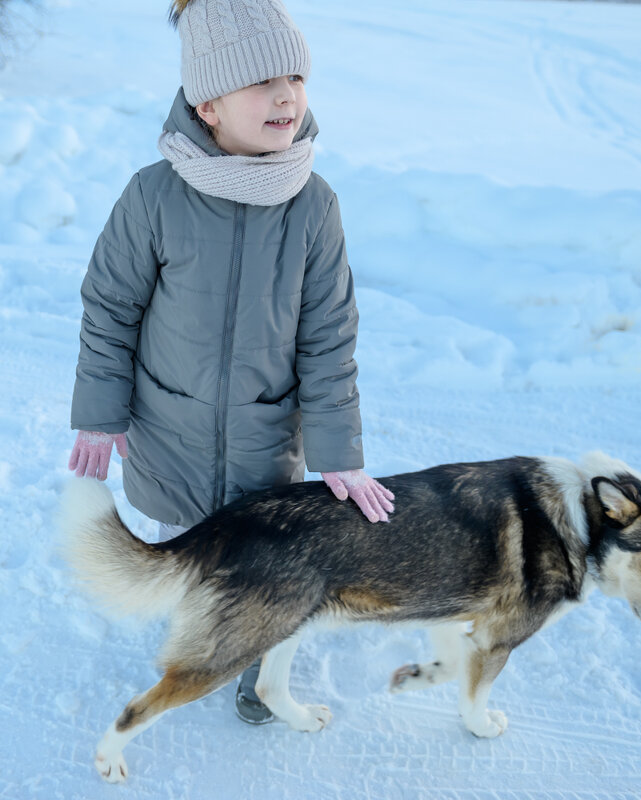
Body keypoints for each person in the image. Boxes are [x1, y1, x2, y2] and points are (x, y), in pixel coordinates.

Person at [67, 0, 394, 725]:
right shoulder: (154, 195)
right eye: (260, 82)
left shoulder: (313, 205)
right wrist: (98, 412)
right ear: (206, 104)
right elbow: (110, 308)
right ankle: (204, 623)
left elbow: (328, 337)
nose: (286, 95)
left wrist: (340, 454)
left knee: (263, 559)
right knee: (188, 548)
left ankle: (250, 658)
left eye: (295, 78)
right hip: (168, 426)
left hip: (265, 434)